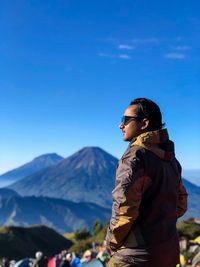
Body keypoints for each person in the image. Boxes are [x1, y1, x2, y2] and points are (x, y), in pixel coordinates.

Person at [105, 98, 188, 267]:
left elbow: (124, 209)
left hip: (135, 256)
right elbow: (181, 203)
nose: (120, 125)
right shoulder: (172, 161)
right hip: (168, 252)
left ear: (144, 123)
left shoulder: (135, 158)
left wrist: (111, 242)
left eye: (126, 120)